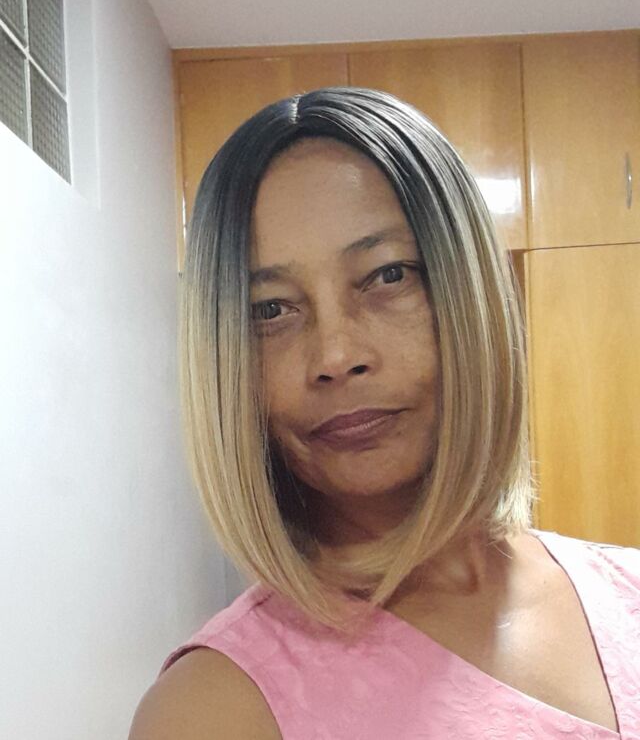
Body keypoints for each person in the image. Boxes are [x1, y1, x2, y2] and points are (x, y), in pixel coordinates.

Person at [128, 88, 639, 739]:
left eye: (387, 275)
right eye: (271, 310)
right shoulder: (214, 709)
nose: (336, 356)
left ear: (469, 290)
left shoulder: (626, 589)